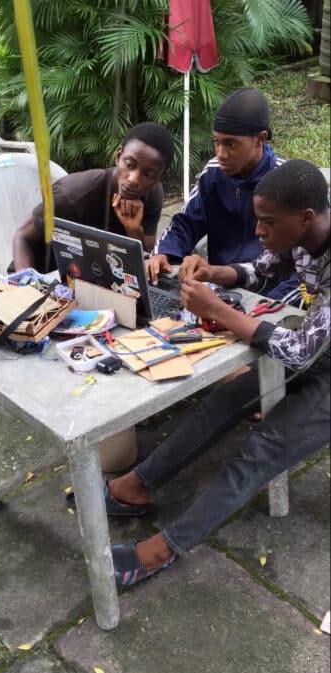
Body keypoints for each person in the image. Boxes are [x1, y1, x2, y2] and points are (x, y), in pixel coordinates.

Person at [105, 159, 330, 587]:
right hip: (318, 347)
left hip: (317, 356)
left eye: (266, 224)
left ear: (304, 218)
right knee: (225, 399)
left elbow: (299, 351)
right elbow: (261, 270)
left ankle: (162, 549)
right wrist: (213, 272)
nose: (259, 232)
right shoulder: (303, 232)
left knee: (264, 447)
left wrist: (220, 311)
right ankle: (136, 485)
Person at [146, 88, 300, 305]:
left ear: (260, 139)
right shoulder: (213, 173)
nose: (220, 153)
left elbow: (303, 269)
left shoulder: (288, 183)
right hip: (219, 287)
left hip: (271, 295)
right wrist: (163, 253)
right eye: (216, 142)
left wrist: (269, 307)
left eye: (231, 144)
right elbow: (185, 223)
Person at [12, 122, 175, 273]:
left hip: (98, 276)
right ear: (118, 156)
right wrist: (27, 286)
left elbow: (145, 256)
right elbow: (22, 237)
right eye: (130, 165)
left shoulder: (152, 195)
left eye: (148, 175)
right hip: (46, 276)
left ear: (157, 179)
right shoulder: (73, 196)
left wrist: (133, 230)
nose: (133, 179)